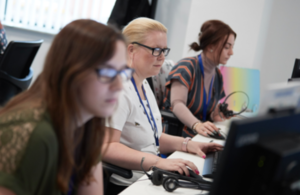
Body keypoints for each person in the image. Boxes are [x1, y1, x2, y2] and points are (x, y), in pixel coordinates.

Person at [0, 19, 134, 195]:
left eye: (122, 72)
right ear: (73, 73)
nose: (119, 85)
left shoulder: (88, 123)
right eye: (108, 72)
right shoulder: (35, 134)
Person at [102, 17, 223, 195]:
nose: (162, 57)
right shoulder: (117, 90)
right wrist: (158, 162)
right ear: (131, 49)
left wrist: (188, 144)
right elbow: (107, 146)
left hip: (149, 175)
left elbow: (152, 137)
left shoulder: (143, 83)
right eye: (156, 50)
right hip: (129, 186)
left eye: (164, 50)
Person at [162, 20, 236, 138]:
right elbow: (177, 104)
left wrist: (215, 115)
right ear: (210, 46)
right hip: (177, 135)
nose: (231, 52)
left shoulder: (217, 75)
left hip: (199, 135)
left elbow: (205, 110)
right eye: (227, 47)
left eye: (232, 47)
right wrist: (197, 124)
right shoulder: (186, 67)